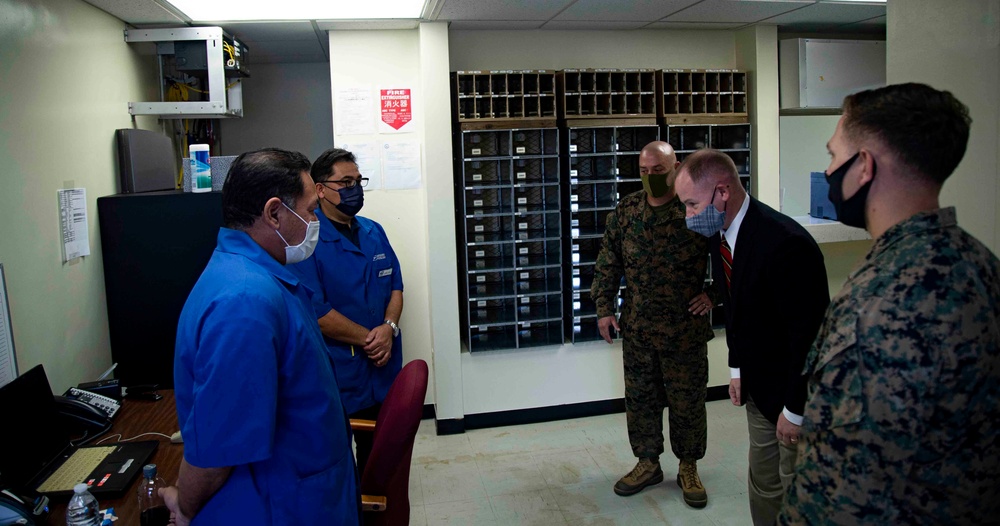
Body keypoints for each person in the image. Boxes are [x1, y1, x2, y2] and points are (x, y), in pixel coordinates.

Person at [778, 83, 1000, 524]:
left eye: (833, 155)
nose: (828, 171)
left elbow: (839, 496)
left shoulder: (876, 305)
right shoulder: (981, 264)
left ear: (864, 166)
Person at [161, 148, 359, 526]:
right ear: (274, 213)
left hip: (304, 490)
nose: (315, 220)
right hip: (279, 505)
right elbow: (220, 449)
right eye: (310, 209)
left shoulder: (259, 277)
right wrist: (184, 507)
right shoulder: (245, 302)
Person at [674, 149, 829, 525]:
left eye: (692, 204)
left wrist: (795, 410)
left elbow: (810, 339)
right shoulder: (719, 232)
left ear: (722, 193)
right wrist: (737, 367)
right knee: (763, 483)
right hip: (758, 387)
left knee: (796, 488)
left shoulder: (785, 244)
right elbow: (735, 306)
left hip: (794, 396)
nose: (688, 216)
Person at [591, 141, 716, 507]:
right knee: (641, 401)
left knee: (687, 402)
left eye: (658, 171)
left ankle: (688, 466)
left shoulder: (696, 209)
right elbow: (608, 261)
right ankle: (648, 463)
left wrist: (714, 296)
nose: (650, 179)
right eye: (644, 172)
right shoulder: (627, 211)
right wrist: (603, 307)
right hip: (640, 328)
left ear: (675, 167)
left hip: (684, 331)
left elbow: (731, 256)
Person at [288, 147, 403, 475]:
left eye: (358, 181)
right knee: (337, 460)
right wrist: (373, 339)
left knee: (379, 455)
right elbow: (318, 312)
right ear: (320, 189)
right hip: (341, 370)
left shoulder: (373, 231)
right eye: (345, 182)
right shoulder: (308, 241)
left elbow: (396, 286)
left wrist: (389, 328)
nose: (355, 189)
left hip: (383, 367)